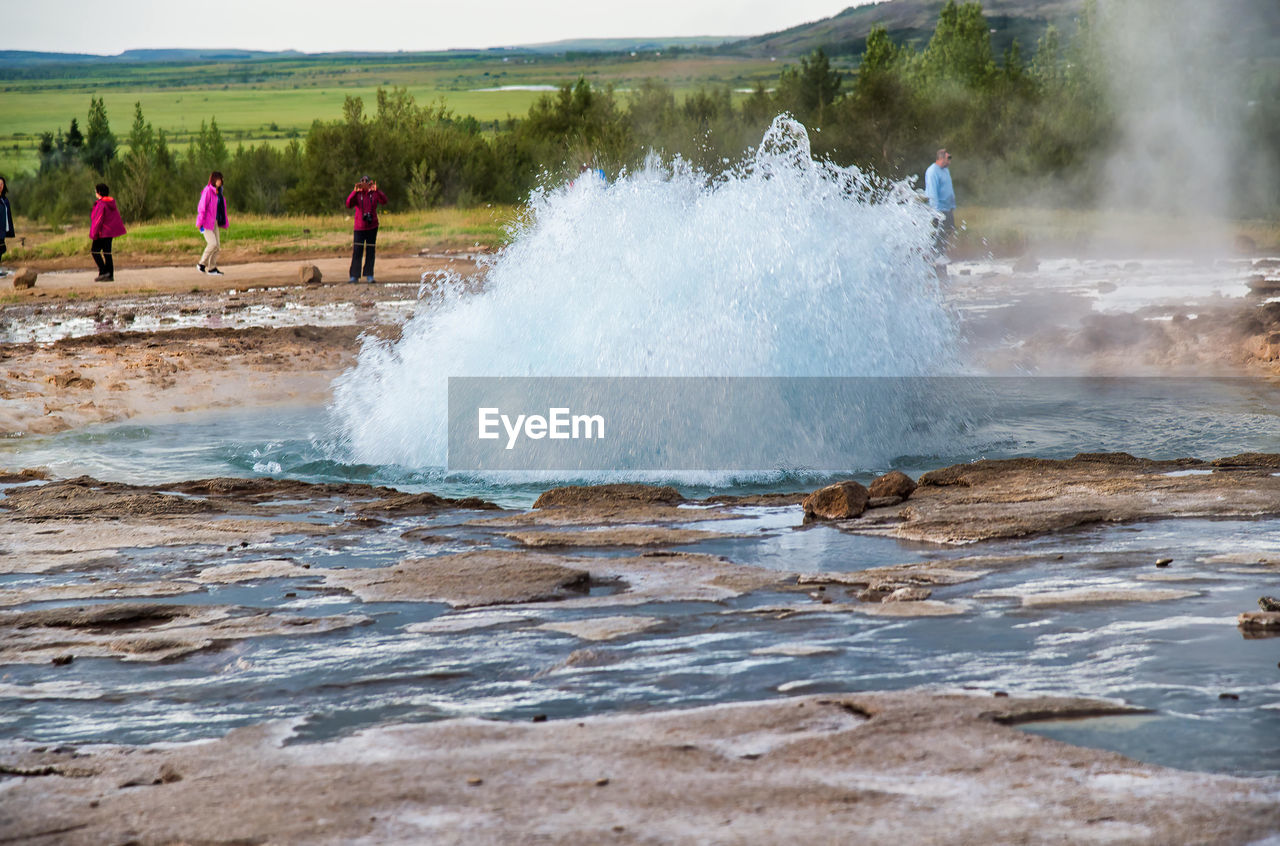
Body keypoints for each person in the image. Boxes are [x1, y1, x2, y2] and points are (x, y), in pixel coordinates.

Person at [346, 175, 387, 283]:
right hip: (359, 227)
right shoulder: (357, 194)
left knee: (370, 251)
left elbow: (384, 201)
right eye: (362, 182)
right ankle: (354, 276)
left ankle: (369, 275)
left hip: (372, 226)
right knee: (357, 251)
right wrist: (354, 191)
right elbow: (348, 204)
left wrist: (377, 190)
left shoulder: (373, 194)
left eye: (366, 182)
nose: (364, 184)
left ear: (370, 183)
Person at [89, 182, 127, 282]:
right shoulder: (111, 203)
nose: (95, 193)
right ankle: (109, 274)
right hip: (109, 233)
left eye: (96, 191)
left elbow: (98, 220)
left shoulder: (101, 204)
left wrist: (94, 234)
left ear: (99, 192)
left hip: (102, 233)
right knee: (107, 253)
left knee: (94, 251)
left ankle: (103, 272)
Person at [924, 148, 956, 261]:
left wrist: (952, 206)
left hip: (948, 208)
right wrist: (935, 212)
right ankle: (934, 259)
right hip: (938, 210)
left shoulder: (945, 170)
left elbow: (948, 188)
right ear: (941, 158)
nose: (950, 161)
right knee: (938, 236)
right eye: (948, 158)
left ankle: (941, 257)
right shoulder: (932, 171)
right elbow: (932, 192)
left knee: (947, 232)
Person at [196, 171, 228, 276]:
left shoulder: (219, 193)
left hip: (214, 222)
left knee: (217, 246)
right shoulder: (208, 191)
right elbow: (202, 208)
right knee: (212, 243)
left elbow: (221, 209)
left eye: (222, 179)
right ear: (214, 180)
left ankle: (212, 268)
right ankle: (201, 264)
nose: (221, 181)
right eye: (219, 179)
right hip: (206, 222)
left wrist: (224, 222)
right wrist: (199, 223)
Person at [0, 175, 14, 276]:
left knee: (1, 249)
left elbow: (8, 216)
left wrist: (8, 229)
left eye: (1, 184)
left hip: (3, 228)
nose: (0, 186)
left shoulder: (5, 200)